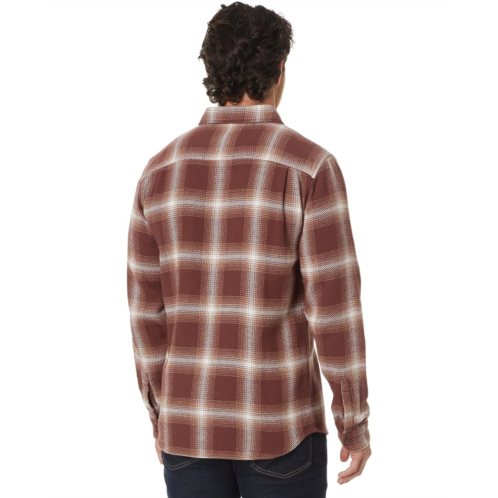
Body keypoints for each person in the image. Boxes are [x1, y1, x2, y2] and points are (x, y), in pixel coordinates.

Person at [127, 2, 371, 497]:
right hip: (279, 429)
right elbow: (335, 311)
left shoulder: (158, 172)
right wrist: (353, 422)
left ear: (211, 70)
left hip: (188, 431)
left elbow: (145, 316)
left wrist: (161, 414)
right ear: (279, 69)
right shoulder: (309, 167)